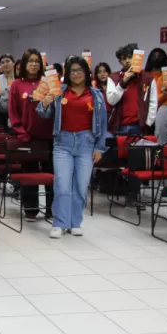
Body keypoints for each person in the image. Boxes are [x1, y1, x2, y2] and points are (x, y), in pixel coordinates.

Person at [37, 56, 107, 239]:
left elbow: (103, 123)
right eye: (72, 71)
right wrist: (45, 102)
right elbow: (43, 113)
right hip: (63, 143)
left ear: (86, 73)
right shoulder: (59, 91)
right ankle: (59, 223)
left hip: (86, 143)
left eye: (79, 70)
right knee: (62, 184)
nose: (76, 74)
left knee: (81, 186)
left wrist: (99, 148)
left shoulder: (96, 95)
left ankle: (75, 222)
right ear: (67, 73)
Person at [106, 43, 157, 203]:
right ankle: (120, 189)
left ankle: (133, 195)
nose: (127, 61)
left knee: (136, 162)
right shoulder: (114, 77)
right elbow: (111, 100)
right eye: (123, 59)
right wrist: (124, 82)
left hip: (138, 126)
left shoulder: (148, 78)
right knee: (121, 161)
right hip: (119, 126)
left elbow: (153, 103)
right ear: (120, 62)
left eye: (130, 57)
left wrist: (147, 123)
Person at [8, 49, 55, 221]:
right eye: (30, 61)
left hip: (50, 137)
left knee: (52, 176)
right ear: (23, 64)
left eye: (37, 61)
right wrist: (21, 132)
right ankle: (31, 209)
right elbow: (13, 112)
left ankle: (52, 210)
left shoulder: (48, 82)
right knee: (30, 174)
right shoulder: (16, 85)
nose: (34, 64)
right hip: (28, 138)